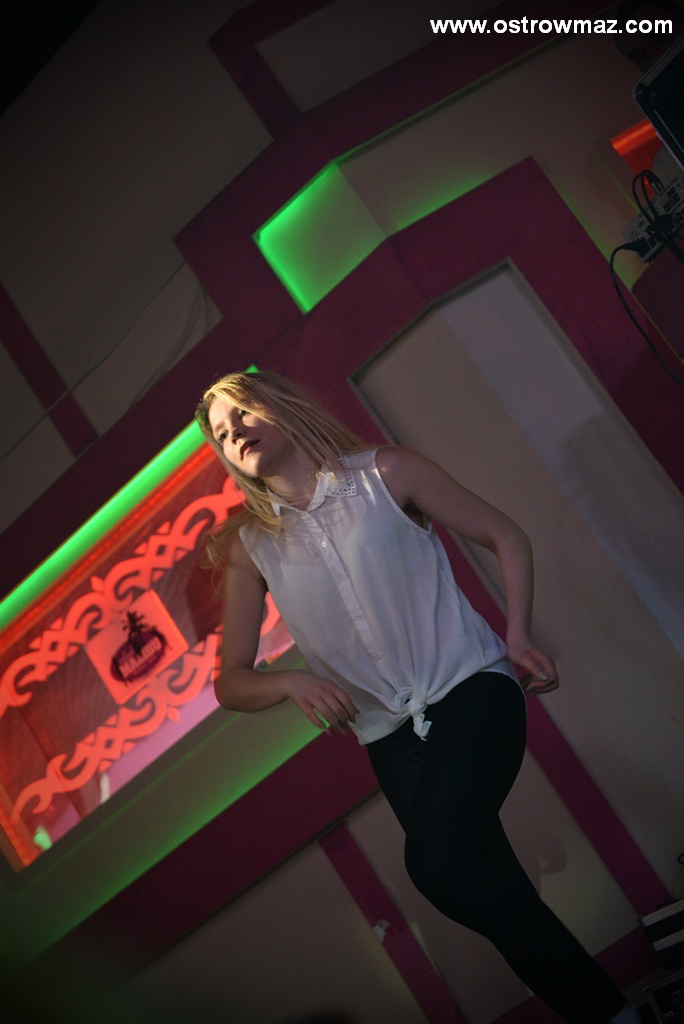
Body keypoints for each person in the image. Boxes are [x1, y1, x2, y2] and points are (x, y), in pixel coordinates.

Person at [195, 369, 640, 1024]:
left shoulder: (386, 473)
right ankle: (613, 1014)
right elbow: (230, 681)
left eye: (243, 413)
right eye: (221, 434)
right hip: (390, 740)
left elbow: (504, 534)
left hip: (471, 690)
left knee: (438, 868)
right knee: (497, 894)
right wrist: (290, 680)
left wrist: (518, 632)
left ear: (283, 409)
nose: (234, 433)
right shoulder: (252, 546)